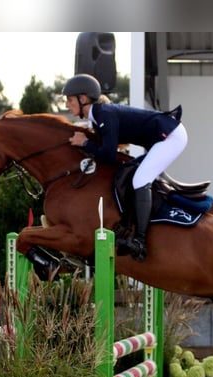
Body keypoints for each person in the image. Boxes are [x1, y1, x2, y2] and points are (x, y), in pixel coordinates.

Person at [63, 73, 188, 262]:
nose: (66, 105)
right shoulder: (97, 116)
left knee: (140, 179)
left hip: (171, 136)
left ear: (83, 99)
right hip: (164, 136)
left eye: (70, 100)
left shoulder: (103, 113)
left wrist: (85, 144)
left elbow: (109, 155)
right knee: (132, 175)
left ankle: (140, 241)